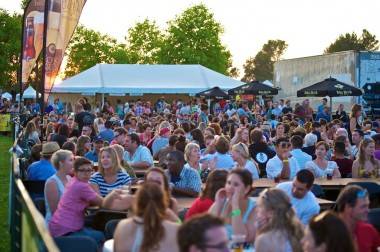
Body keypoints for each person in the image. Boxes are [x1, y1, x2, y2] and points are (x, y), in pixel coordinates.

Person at [49, 157, 123, 246]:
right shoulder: (81, 186)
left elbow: (86, 199)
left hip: (57, 227)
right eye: (82, 170)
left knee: (98, 223)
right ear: (75, 172)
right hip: (66, 231)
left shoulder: (73, 181)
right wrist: (114, 193)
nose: (86, 173)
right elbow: (103, 204)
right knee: (101, 235)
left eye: (89, 170)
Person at [114, 182, 180, 252]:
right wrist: (173, 217)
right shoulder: (175, 230)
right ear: (163, 202)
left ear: (137, 202)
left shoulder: (122, 227)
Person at [208, 169, 257, 243]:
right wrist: (218, 204)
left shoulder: (254, 208)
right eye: (228, 183)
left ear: (247, 189)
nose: (230, 187)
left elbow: (242, 238)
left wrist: (235, 206)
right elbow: (207, 230)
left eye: (236, 184)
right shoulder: (222, 202)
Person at [336, 185, 380, 252]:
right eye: (363, 207)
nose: (368, 210)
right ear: (348, 208)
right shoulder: (329, 232)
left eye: (368, 206)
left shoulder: (368, 230)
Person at [44, 150, 73, 224]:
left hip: (71, 221)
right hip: (57, 226)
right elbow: (55, 212)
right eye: (70, 160)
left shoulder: (69, 178)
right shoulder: (52, 183)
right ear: (61, 163)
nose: (73, 163)